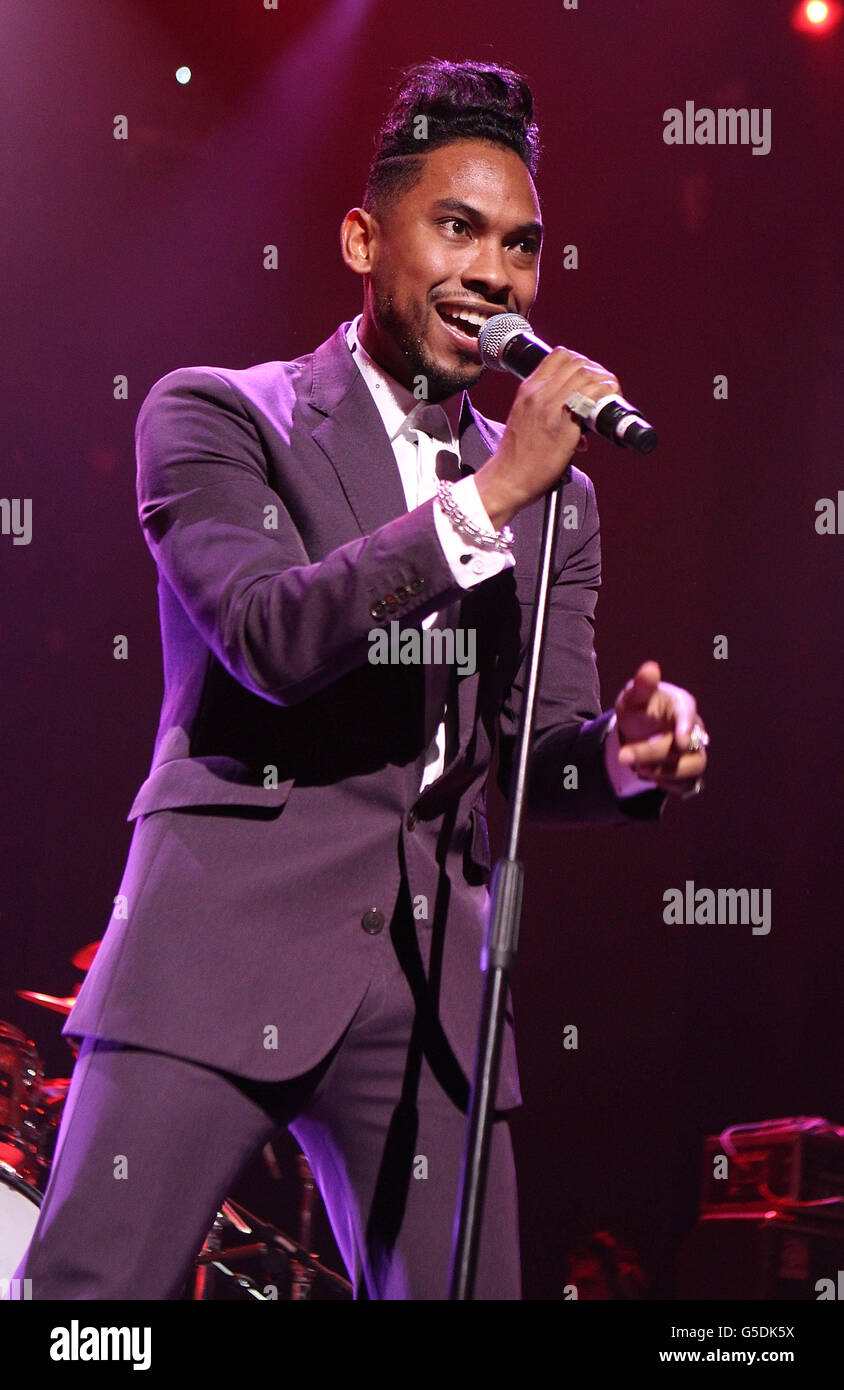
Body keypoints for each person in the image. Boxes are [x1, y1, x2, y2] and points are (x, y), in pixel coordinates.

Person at [10, 57, 707, 1301]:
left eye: (521, 245)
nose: (494, 273)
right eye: (457, 228)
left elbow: (532, 751)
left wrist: (617, 754)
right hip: (218, 942)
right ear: (359, 237)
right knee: (89, 1315)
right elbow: (271, 638)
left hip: (433, 989)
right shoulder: (220, 416)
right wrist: (487, 500)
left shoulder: (559, 500)